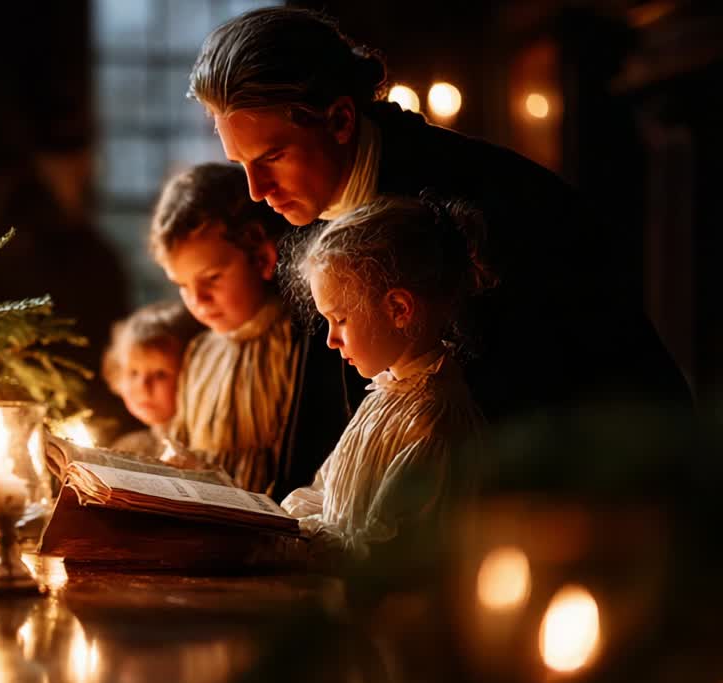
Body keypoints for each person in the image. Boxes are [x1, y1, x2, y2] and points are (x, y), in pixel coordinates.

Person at [188, 6, 690, 424]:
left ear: (340, 120)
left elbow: (550, 405)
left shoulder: (488, 209)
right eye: (241, 165)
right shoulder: (295, 216)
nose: (257, 190)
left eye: (273, 157)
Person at [280, 195, 492, 567]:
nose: (330, 340)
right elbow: (324, 492)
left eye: (340, 319)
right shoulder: (384, 395)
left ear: (398, 309)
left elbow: (383, 551)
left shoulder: (432, 424)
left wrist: (301, 539)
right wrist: (274, 520)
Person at [151, 163, 352, 497]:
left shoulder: (299, 345)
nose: (197, 300)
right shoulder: (199, 354)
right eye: (182, 286)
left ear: (261, 256)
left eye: (211, 278)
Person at [101, 300, 204, 457]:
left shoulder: (204, 451)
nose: (143, 386)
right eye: (133, 373)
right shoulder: (130, 448)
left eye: (160, 374)